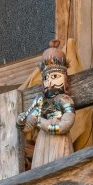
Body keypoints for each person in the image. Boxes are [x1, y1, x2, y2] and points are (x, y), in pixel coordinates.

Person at [17, 40, 76, 168]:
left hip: (59, 142)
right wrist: (21, 122)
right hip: (42, 143)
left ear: (65, 78)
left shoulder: (64, 100)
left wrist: (42, 123)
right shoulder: (40, 100)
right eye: (45, 78)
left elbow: (65, 125)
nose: (49, 83)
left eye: (54, 76)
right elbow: (29, 126)